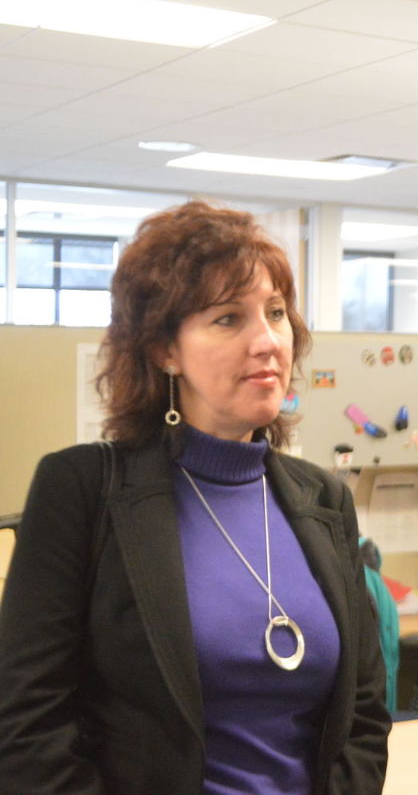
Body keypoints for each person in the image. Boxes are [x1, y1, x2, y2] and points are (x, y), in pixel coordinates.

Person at [0, 201, 391, 793]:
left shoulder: (324, 499)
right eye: (228, 319)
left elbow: (363, 713)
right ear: (164, 350)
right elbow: (27, 722)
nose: (268, 342)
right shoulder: (82, 491)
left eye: (277, 313)